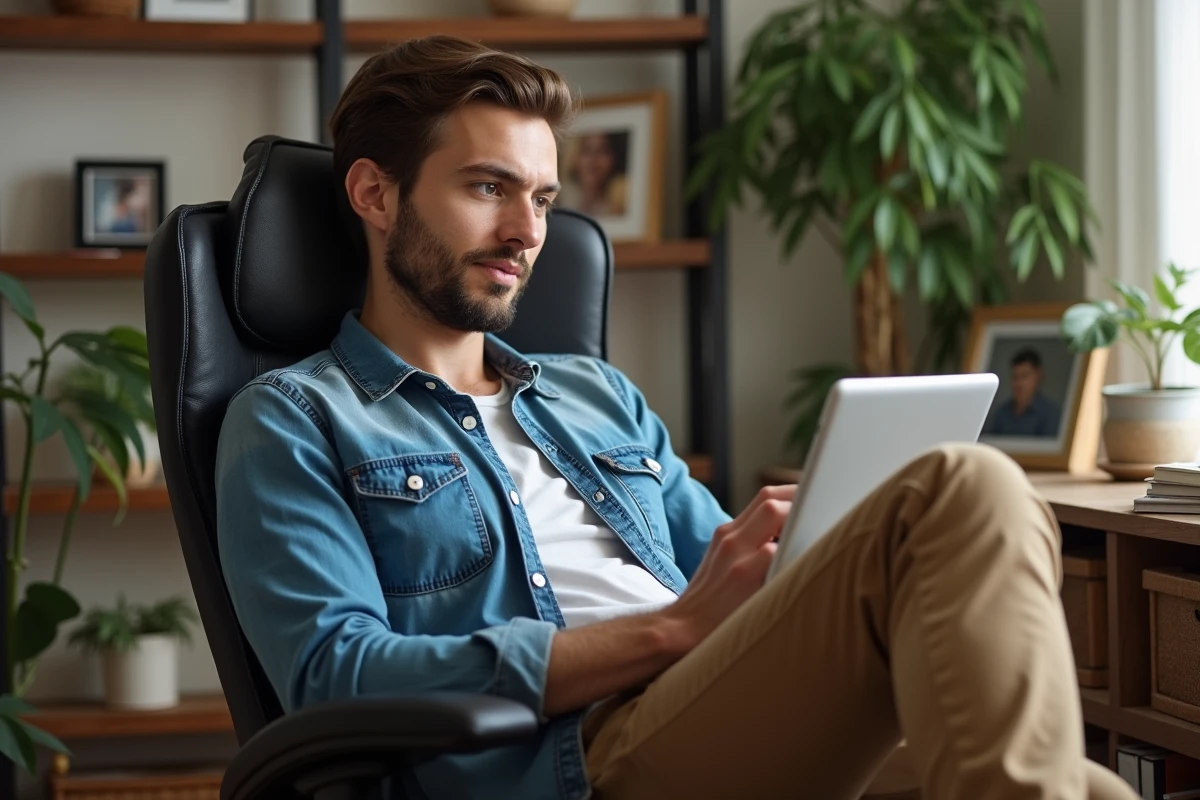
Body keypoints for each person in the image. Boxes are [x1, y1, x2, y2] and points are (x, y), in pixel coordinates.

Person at [214, 35, 1137, 800]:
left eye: (541, 199)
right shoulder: (294, 421)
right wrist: (666, 635)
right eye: (488, 188)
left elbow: (728, 582)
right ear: (375, 194)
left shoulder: (594, 394)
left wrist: (796, 552)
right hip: (574, 759)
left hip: (715, 699)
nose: (529, 234)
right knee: (964, 482)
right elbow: (339, 676)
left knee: (1094, 788)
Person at [985, 347, 1063, 437]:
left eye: (1024, 376)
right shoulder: (1001, 413)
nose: (1019, 383)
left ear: (1038, 376)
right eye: (1015, 377)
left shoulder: (1050, 414)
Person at [560, 130, 628, 216]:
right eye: (587, 150)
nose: (593, 160)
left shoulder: (617, 210)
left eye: (603, 151)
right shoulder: (560, 203)